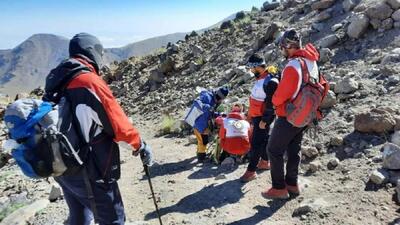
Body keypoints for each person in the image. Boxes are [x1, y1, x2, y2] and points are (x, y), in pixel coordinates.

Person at [43, 33, 154, 225]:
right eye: (100, 52)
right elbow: (118, 127)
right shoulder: (88, 81)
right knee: (113, 219)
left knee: (80, 217)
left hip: (61, 164)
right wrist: (140, 146)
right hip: (89, 169)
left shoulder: (57, 79)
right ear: (91, 51)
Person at [262, 29, 320, 199]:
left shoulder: (293, 65)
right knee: (294, 149)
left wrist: (273, 101)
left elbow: (281, 96)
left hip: (289, 115)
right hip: (307, 114)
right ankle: (292, 184)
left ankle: (279, 188)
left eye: (282, 47)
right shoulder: (311, 61)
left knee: (273, 149)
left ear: (288, 46)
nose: (281, 51)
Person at [240, 53, 280, 183]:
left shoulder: (269, 81)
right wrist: (250, 115)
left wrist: (265, 121)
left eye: (252, 68)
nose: (251, 71)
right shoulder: (261, 78)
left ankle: (251, 171)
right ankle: (264, 162)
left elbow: (270, 104)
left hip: (263, 118)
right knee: (262, 140)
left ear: (257, 67)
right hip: (257, 116)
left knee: (256, 144)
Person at [185, 87, 229, 162]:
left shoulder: (214, 100)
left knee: (201, 140)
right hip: (198, 122)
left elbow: (210, 112)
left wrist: (218, 114)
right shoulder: (207, 96)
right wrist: (207, 107)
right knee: (203, 141)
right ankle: (201, 157)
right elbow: (196, 102)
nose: (221, 101)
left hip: (203, 122)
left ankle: (200, 154)